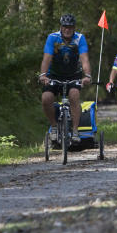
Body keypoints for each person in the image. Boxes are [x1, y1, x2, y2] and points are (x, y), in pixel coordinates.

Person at [38, 14, 92, 144]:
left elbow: (84, 59)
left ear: (74, 28)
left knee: (74, 95)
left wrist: (87, 76)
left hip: (73, 74)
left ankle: (74, 131)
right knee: (46, 98)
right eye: (65, 27)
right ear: (60, 27)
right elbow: (47, 58)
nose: (67, 29)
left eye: (70, 27)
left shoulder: (79, 38)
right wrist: (43, 75)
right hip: (54, 74)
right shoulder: (53, 38)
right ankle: (55, 127)